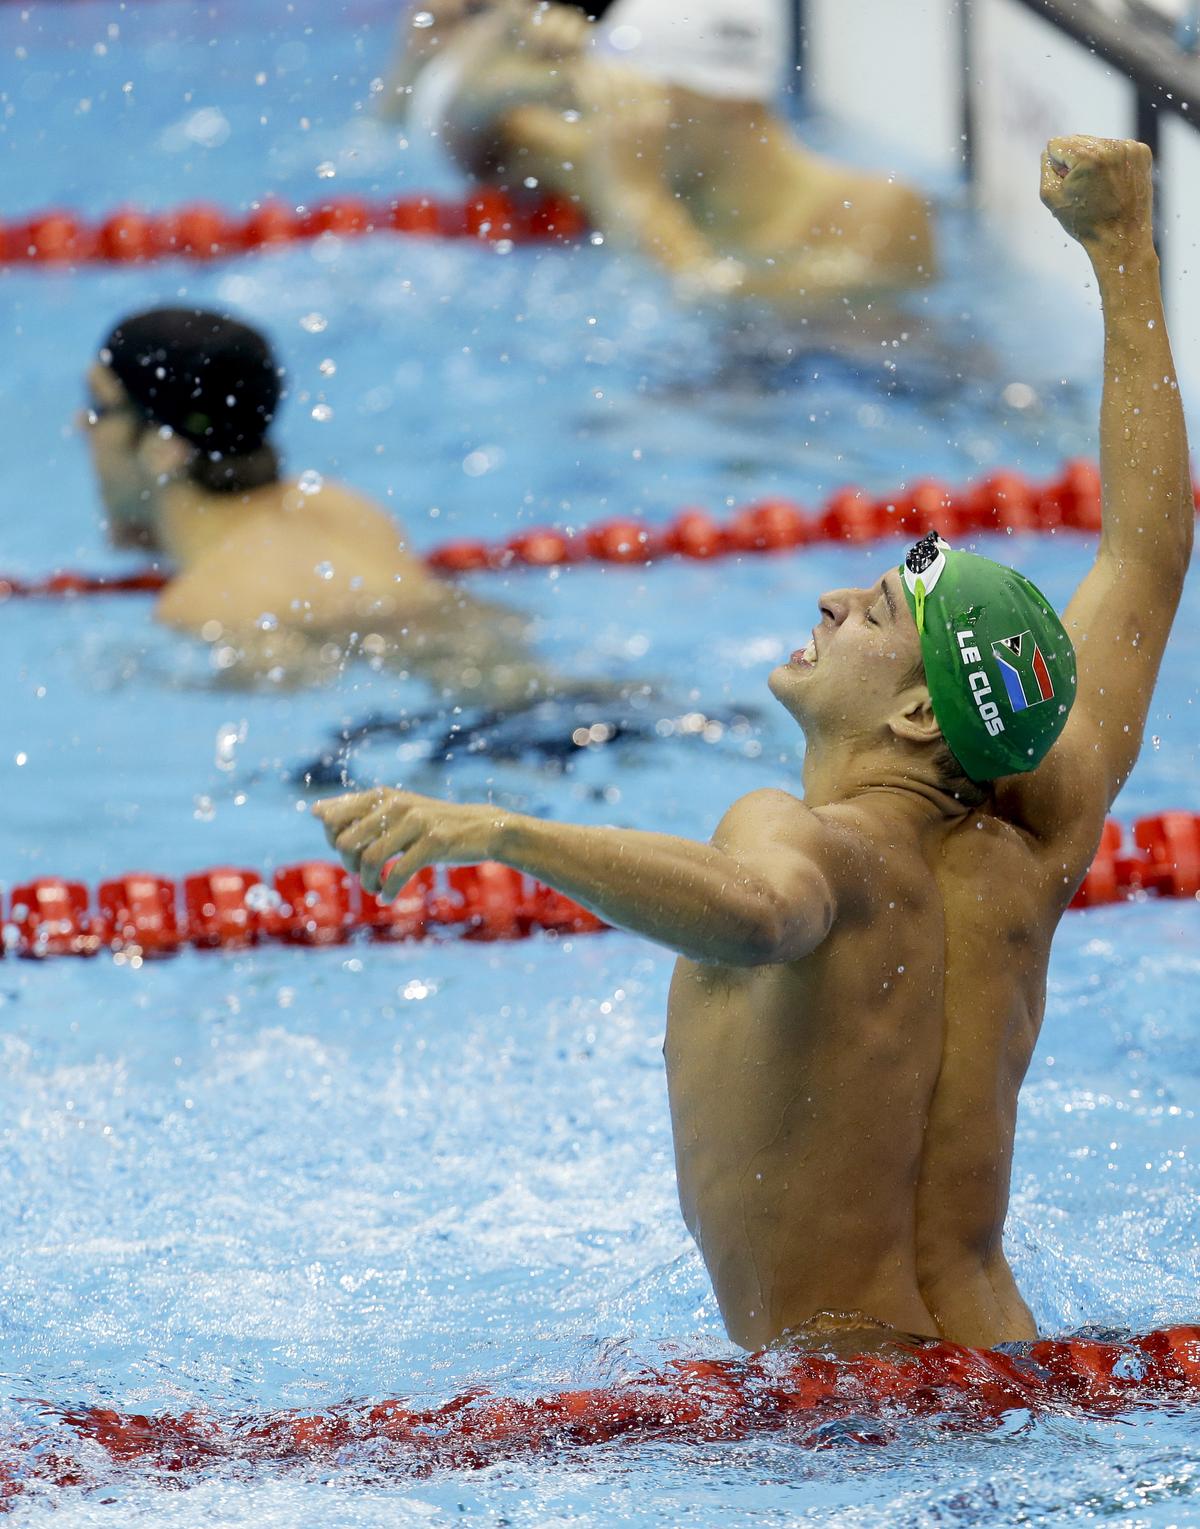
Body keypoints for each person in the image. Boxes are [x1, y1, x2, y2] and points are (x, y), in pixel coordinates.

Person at [314, 137, 1192, 1352]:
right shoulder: (1037, 839)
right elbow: (1144, 559)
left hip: (845, 1419)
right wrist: (1124, 250)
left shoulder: (802, 838)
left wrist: (501, 828)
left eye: (876, 612)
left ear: (921, 714)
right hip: (1013, 1362)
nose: (833, 603)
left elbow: (768, 913)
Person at [83, 307, 552, 701]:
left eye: (98, 406)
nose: (80, 425)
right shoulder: (344, 507)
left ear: (162, 448)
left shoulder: (202, 605)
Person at [381, 0, 934, 313]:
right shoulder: (626, 163)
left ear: (725, 100)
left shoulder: (874, 210)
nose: (613, 115)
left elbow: (726, 309)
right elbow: (472, 144)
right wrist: (510, 36)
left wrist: (638, 201)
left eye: (637, 95)